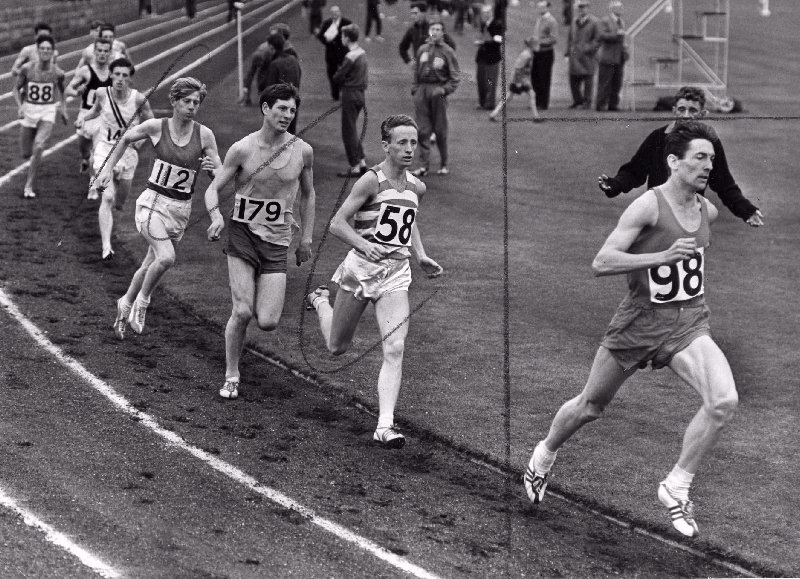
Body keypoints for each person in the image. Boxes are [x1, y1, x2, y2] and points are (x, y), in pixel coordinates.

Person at [524, 121, 740, 539]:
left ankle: (676, 486)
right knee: (591, 406)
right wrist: (660, 256)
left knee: (723, 400)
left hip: (689, 322)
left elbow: (700, 240)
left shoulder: (705, 210)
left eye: (711, 158)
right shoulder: (647, 206)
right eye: (700, 157)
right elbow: (601, 262)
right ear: (673, 161)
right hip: (639, 323)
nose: (708, 165)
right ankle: (543, 458)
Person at [306, 114, 443, 448]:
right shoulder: (370, 181)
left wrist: (420, 254)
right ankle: (321, 301)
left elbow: (409, 222)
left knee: (394, 347)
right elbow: (337, 223)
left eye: (413, 142)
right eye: (402, 142)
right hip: (361, 272)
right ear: (386, 145)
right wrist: (365, 244)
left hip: (396, 274)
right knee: (337, 347)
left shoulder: (417, 186)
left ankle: (385, 425)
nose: (410, 149)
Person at [203, 83, 315, 400]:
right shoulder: (242, 149)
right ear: (265, 109)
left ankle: (235, 367)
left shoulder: (302, 151)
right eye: (281, 108)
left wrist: (305, 238)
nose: (287, 115)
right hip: (242, 236)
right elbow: (215, 189)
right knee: (242, 311)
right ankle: (231, 374)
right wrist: (215, 216)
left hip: (277, 241)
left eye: (292, 110)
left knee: (267, 321)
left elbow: (309, 194)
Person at [95, 77, 222, 339]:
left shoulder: (205, 135)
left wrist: (213, 171)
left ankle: (125, 303)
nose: (191, 106)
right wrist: (107, 169)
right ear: (174, 101)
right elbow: (126, 138)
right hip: (152, 204)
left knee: (149, 265)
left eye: (196, 102)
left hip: (180, 210)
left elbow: (220, 173)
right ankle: (142, 303)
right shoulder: (156, 127)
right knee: (166, 258)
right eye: (186, 101)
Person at [598, 86, 764, 226]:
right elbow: (635, 172)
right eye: (682, 109)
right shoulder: (657, 137)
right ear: (674, 110)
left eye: (692, 110)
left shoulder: (709, 143)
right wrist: (615, 184)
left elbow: (724, 184)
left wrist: (747, 210)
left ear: (703, 114)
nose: (686, 115)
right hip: (657, 213)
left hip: (690, 215)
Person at [78, 58, 153, 260]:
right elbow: (94, 112)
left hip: (128, 155)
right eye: (117, 74)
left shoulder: (138, 99)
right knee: (108, 197)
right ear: (110, 75)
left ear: (130, 78)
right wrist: (82, 118)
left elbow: (153, 125)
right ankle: (106, 247)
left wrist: (140, 142)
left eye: (124, 75)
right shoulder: (102, 94)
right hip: (105, 151)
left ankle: (115, 213)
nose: (120, 79)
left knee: (119, 203)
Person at [14, 35, 68, 199]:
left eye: (48, 49)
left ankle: (29, 185)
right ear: (37, 51)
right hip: (29, 109)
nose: (45, 51)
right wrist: (20, 105)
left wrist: (63, 109)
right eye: (42, 48)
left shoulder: (58, 73)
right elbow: (16, 90)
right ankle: (33, 161)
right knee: (26, 153)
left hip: (47, 111)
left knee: (39, 146)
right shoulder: (27, 69)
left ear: (53, 52)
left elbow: (62, 91)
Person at [411, 21, 460, 176]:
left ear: (443, 33)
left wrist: (444, 90)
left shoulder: (448, 51)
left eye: (439, 29)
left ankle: (444, 163)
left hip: (438, 91)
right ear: (429, 31)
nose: (436, 32)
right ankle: (423, 166)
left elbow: (455, 77)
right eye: (433, 29)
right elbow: (415, 71)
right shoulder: (422, 50)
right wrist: (415, 89)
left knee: (440, 130)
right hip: (422, 91)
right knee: (422, 129)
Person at [65, 38, 113, 182]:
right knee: (85, 151)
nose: (102, 54)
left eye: (106, 51)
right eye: (99, 50)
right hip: (85, 115)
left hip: (103, 117)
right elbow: (68, 89)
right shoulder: (85, 71)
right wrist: (76, 93)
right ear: (94, 52)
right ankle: (85, 160)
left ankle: (92, 183)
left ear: (110, 53)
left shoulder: (113, 72)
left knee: (96, 153)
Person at [334, 24, 369, 177]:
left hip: (350, 93)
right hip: (360, 94)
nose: (341, 39)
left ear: (347, 38)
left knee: (348, 131)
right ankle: (361, 162)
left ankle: (354, 165)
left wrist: (341, 75)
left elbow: (337, 77)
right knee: (353, 129)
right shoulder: (362, 53)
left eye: (342, 36)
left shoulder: (350, 57)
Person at [489, 37, 538, 121]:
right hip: (518, 79)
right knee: (508, 97)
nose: (537, 46)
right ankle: (493, 114)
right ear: (531, 45)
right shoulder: (526, 55)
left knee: (531, 94)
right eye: (535, 44)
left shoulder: (530, 54)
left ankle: (536, 117)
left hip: (524, 80)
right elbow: (518, 68)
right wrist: (518, 82)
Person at [264, 32, 302, 134]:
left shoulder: (274, 64)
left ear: (272, 47)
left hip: (279, 105)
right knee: (290, 132)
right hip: (293, 101)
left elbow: (270, 89)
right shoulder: (293, 59)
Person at [567, 0, 599, 109]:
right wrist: (568, 52)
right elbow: (570, 38)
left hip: (587, 55)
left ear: (588, 8)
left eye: (583, 7)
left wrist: (588, 48)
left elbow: (598, 40)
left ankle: (587, 101)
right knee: (573, 78)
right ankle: (577, 101)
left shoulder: (594, 22)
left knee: (588, 78)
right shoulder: (574, 21)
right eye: (579, 7)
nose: (581, 9)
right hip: (575, 54)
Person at [595, 0, 627, 111]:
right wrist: (616, 35)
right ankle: (601, 104)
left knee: (617, 82)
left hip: (619, 56)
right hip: (608, 56)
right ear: (612, 8)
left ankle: (613, 104)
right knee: (605, 82)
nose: (621, 9)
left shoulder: (621, 21)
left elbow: (621, 38)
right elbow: (601, 35)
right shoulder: (604, 21)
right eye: (619, 7)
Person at [317, 6, 352, 101]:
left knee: (345, 73)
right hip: (331, 53)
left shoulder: (347, 23)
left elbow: (352, 36)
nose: (335, 14)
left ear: (340, 12)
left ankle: (345, 91)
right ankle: (335, 94)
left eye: (336, 12)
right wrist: (327, 41)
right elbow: (320, 36)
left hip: (343, 52)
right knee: (331, 74)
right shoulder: (327, 23)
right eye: (333, 12)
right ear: (331, 14)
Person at [474, 5, 503, 111]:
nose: (485, 15)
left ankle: (489, 104)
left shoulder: (497, 24)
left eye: (487, 13)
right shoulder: (483, 24)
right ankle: (482, 102)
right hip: (481, 57)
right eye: (483, 13)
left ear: (491, 13)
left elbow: (499, 40)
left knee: (490, 81)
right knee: (481, 80)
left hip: (492, 57)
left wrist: (485, 41)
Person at [530, 1, 558, 111]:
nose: (540, 8)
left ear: (547, 8)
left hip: (546, 53)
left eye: (543, 7)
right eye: (539, 6)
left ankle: (543, 103)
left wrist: (539, 42)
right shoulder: (539, 19)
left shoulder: (551, 21)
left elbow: (554, 38)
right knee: (535, 77)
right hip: (537, 52)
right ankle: (537, 101)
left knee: (544, 78)